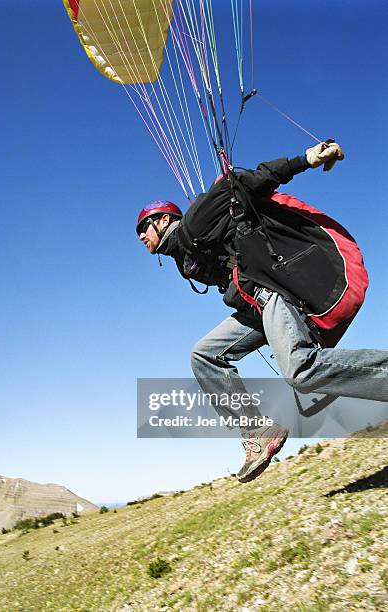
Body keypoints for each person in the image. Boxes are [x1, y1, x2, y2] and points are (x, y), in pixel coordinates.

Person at [137, 142, 388, 483]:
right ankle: (257, 432)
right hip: (254, 305)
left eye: (144, 228)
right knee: (203, 355)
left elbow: (248, 182)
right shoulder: (185, 262)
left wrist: (306, 159)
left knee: (301, 371)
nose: (140, 237)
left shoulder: (195, 221)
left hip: (273, 294)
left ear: (164, 219)